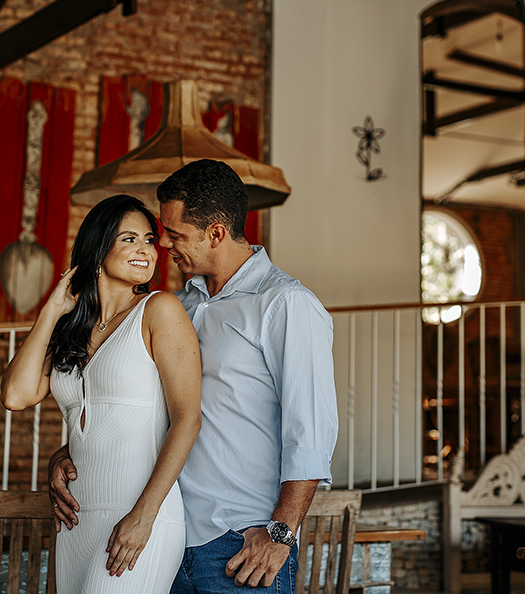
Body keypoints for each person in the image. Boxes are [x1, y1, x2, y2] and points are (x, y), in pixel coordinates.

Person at [49, 159, 338, 594]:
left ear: (216, 233)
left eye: (174, 233)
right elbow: (144, 407)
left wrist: (281, 534)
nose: (162, 243)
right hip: (169, 535)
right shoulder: (176, 307)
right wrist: (68, 452)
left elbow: (310, 431)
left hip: (240, 543)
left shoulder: (285, 304)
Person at [1, 194, 202, 593]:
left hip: (141, 514)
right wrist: (52, 310)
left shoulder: (159, 310)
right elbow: (16, 396)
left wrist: (144, 515)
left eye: (149, 239)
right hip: (77, 520)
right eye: (129, 239)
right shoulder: (70, 329)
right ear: (98, 247)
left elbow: (187, 419)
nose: (145, 249)